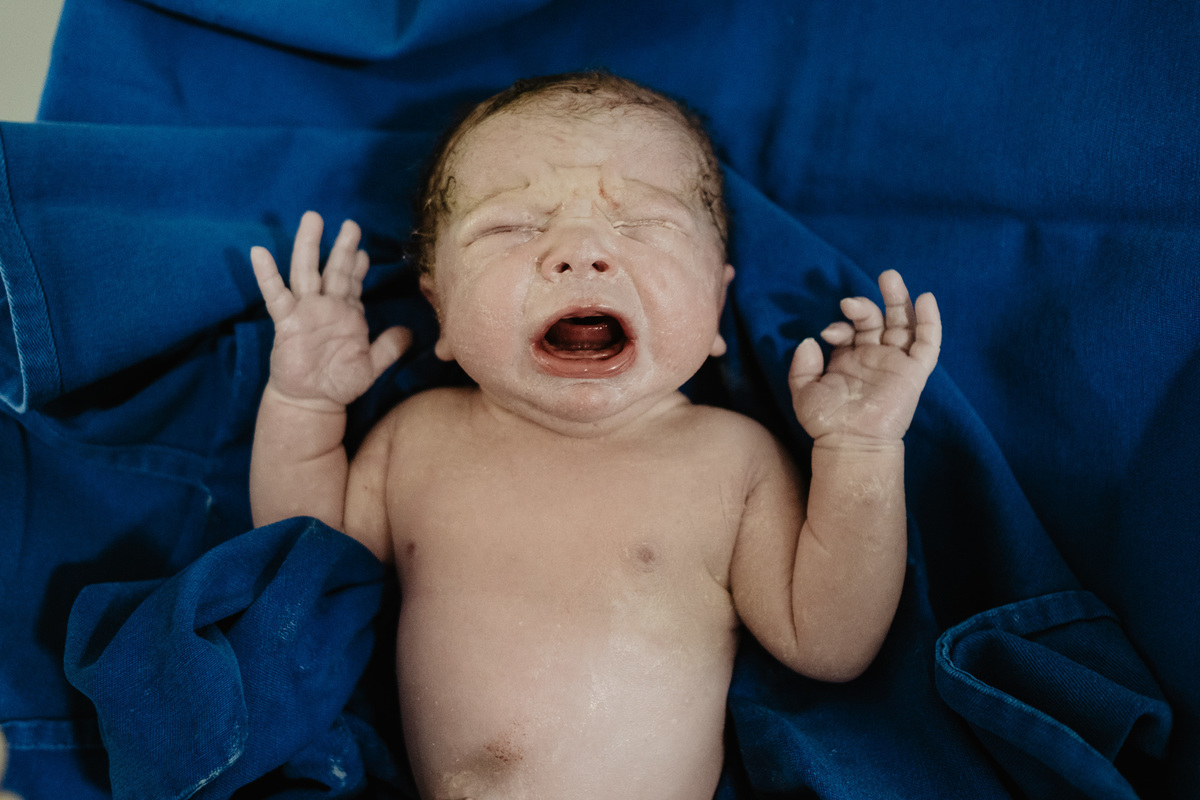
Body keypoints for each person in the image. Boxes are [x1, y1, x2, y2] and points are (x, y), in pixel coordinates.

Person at [249, 71, 941, 800]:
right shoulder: (416, 441)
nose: (581, 252)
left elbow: (829, 644)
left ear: (717, 306)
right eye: (512, 226)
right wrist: (303, 404)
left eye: (645, 223)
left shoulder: (730, 461)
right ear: (439, 309)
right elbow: (304, 576)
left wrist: (860, 449)